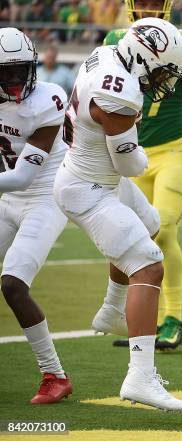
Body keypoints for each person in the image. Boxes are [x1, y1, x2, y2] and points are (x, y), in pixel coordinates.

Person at [53, 17, 182, 411]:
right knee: (149, 264)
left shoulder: (105, 54)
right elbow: (130, 165)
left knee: (150, 225)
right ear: (142, 56)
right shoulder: (122, 92)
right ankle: (140, 377)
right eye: (163, 70)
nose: (164, 80)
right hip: (88, 189)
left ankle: (113, 308)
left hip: (96, 175)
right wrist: (144, 154)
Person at [103, 0, 182, 351]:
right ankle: (145, 324)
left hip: (174, 151)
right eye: (144, 1)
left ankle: (174, 320)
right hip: (133, 156)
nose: (150, 7)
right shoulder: (115, 40)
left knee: (163, 228)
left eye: (157, 1)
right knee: (131, 235)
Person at [0, 28, 72, 405]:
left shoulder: (49, 100)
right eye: (6, 73)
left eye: (20, 70)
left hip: (44, 196)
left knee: (12, 285)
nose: (15, 81)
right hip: (7, 196)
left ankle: (55, 375)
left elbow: (23, 176)